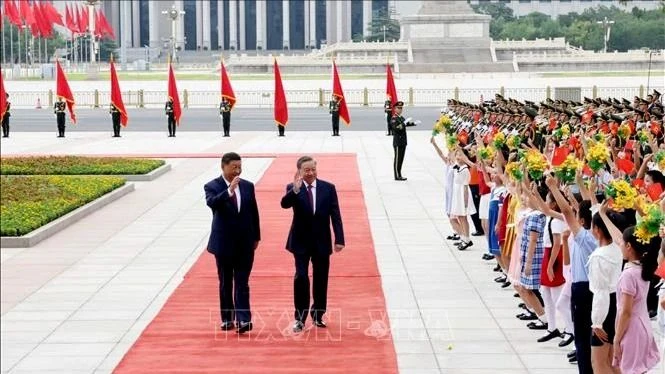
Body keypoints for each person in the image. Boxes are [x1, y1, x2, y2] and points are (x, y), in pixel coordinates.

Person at [280, 156, 345, 332]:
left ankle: (318, 314)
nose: (310, 173)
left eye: (313, 169)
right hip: (300, 241)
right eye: (306, 170)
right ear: (299, 172)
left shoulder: (328, 188)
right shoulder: (293, 188)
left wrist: (339, 239)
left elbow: (335, 214)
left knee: (320, 278)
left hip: (322, 241)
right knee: (301, 277)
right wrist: (294, 189)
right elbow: (284, 205)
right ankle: (300, 318)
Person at [204, 152, 261, 334]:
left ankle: (244, 319)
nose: (237, 170)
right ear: (223, 166)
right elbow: (212, 203)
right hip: (224, 243)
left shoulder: (248, 186)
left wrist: (256, 236)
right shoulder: (212, 186)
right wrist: (229, 191)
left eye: (239, 167)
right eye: (234, 167)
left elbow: (254, 213)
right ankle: (227, 318)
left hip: (245, 243)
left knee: (242, 282)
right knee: (226, 282)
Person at [390, 101, 416, 181]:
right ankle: (397, 175)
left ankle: (400, 174)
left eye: (401, 108)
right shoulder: (394, 118)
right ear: (395, 109)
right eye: (398, 108)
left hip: (403, 141)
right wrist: (403, 124)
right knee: (397, 159)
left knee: (401, 159)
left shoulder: (401, 117)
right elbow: (396, 128)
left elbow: (406, 124)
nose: (400, 110)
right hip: (397, 142)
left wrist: (414, 123)